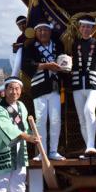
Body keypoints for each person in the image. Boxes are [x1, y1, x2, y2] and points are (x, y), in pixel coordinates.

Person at [19, 21, 66, 161]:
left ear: (50, 32)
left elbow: (63, 62)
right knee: (41, 120)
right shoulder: (31, 47)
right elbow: (26, 65)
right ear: (36, 32)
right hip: (39, 87)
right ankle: (41, 151)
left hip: (55, 87)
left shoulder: (57, 46)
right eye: (39, 30)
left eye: (45, 30)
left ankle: (53, 150)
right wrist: (46, 65)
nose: (43, 33)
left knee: (55, 120)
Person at [71, 15, 96, 157]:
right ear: (79, 28)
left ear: (93, 28)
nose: (85, 29)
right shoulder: (75, 44)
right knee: (81, 118)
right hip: (77, 86)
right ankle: (89, 149)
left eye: (88, 26)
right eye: (83, 26)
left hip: (94, 85)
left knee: (88, 110)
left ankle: (91, 145)